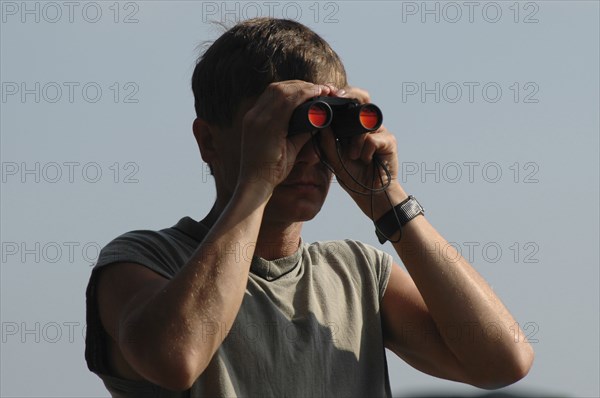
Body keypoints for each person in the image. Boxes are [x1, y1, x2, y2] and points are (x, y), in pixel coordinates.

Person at [85, 17, 534, 397]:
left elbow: (503, 360)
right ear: (208, 141)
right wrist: (258, 180)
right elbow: (175, 358)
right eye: (284, 129)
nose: (309, 154)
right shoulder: (141, 263)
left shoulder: (357, 274)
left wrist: (388, 201)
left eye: (322, 131)